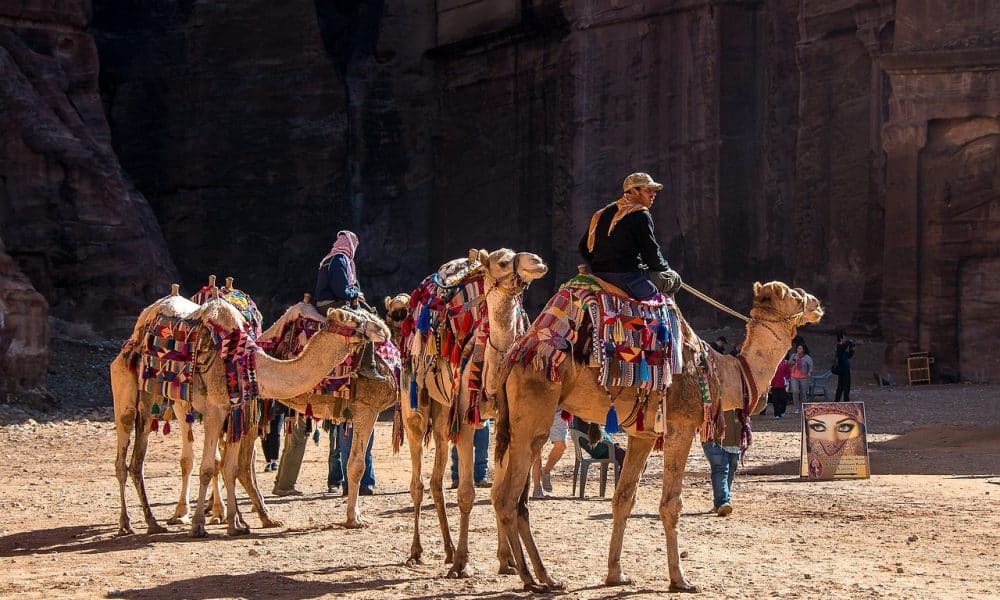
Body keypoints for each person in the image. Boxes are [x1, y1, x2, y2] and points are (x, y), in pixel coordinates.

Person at [578, 172, 683, 301]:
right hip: (627, 278)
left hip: (599, 275)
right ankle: (666, 320)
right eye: (648, 190)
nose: (653, 194)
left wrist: (600, 265)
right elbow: (651, 254)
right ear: (634, 191)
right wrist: (666, 269)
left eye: (654, 191)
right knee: (674, 279)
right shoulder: (640, 214)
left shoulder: (602, 213)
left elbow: (583, 247)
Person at [315, 230, 383, 380]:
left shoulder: (330, 259)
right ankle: (367, 366)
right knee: (366, 324)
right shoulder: (340, 260)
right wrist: (355, 294)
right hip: (332, 304)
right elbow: (341, 290)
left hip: (324, 302)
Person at [701, 410, 742, 516]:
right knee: (721, 470)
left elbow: (757, 408)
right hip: (714, 440)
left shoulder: (744, 394)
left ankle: (722, 502)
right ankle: (723, 502)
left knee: (729, 472)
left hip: (735, 443)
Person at [328, 422, 376, 495]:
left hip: (367, 415)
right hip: (346, 418)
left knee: (365, 449)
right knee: (346, 452)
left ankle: (366, 483)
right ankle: (349, 484)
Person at [531, 409, 569, 498]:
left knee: (561, 445)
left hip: (559, 409)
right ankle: (537, 487)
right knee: (537, 448)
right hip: (538, 409)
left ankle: (546, 471)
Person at [449, 421, 491, 489]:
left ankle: (481, 477)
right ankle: (457, 478)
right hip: (461, 416)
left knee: (482, 447)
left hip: (481, 416)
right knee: (458, 447)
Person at [260, 403, 286, 472]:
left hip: (279, 409)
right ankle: (268, 461)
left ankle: (273, 461)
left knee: (275, 433)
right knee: (265, 434)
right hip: (263, 409)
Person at [788, 343, 813, 413]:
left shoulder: (807, 358)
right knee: (795, 391)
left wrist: (809, 372)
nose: (798, 350)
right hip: (794, 376)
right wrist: (793, 361)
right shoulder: (794, 355)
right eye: (797, 348)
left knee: (803, 393)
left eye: (800, 348)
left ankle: (804, 407)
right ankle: (797, 408)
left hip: (804, 377)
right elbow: (789, 364)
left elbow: (811, 367)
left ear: (803, 350)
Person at [834, 329, 855, 402]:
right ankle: (839, 401)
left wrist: (852, 349)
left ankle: (844, 400)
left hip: (846, 369)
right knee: (842, 387)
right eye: (844, 337)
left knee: (846, 387)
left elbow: (848, 356)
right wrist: (848, 343)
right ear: (841, 338)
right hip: (842, 370)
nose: (846, 339)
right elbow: (840, 355)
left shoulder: (842, 347)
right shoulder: (839, 346)